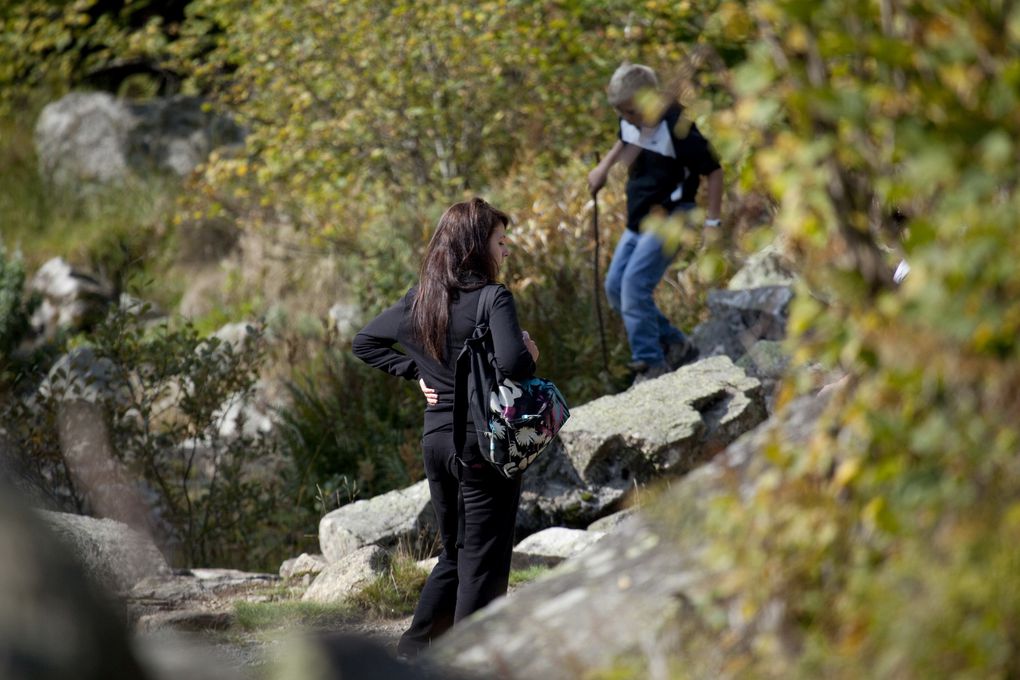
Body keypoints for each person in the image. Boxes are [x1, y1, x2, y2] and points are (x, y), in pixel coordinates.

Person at [352, 198, 539, 658]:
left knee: (456, 553)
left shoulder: (420, 300)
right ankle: (470, 661)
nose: (506, 250)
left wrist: (413, 372)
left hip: (437, 442)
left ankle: (412, 652)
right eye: (500, 241)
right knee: (484, 561)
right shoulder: (493, 298)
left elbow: (365, 342)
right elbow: (515, 365)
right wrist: (530, 354)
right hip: (483, 443)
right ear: (477, 246)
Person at [588, 62, 724, 384]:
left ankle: (652, 365)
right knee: (615, 287)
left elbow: (714, 170)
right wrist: (603, 169)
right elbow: (625, 137)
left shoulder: (678, 126)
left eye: (631, 111)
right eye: (621, 112)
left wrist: (713, 223)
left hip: (674, 214)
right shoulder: (630, 119)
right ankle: (677, 344)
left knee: (635, 286)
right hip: (640, 219)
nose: (626, 117)